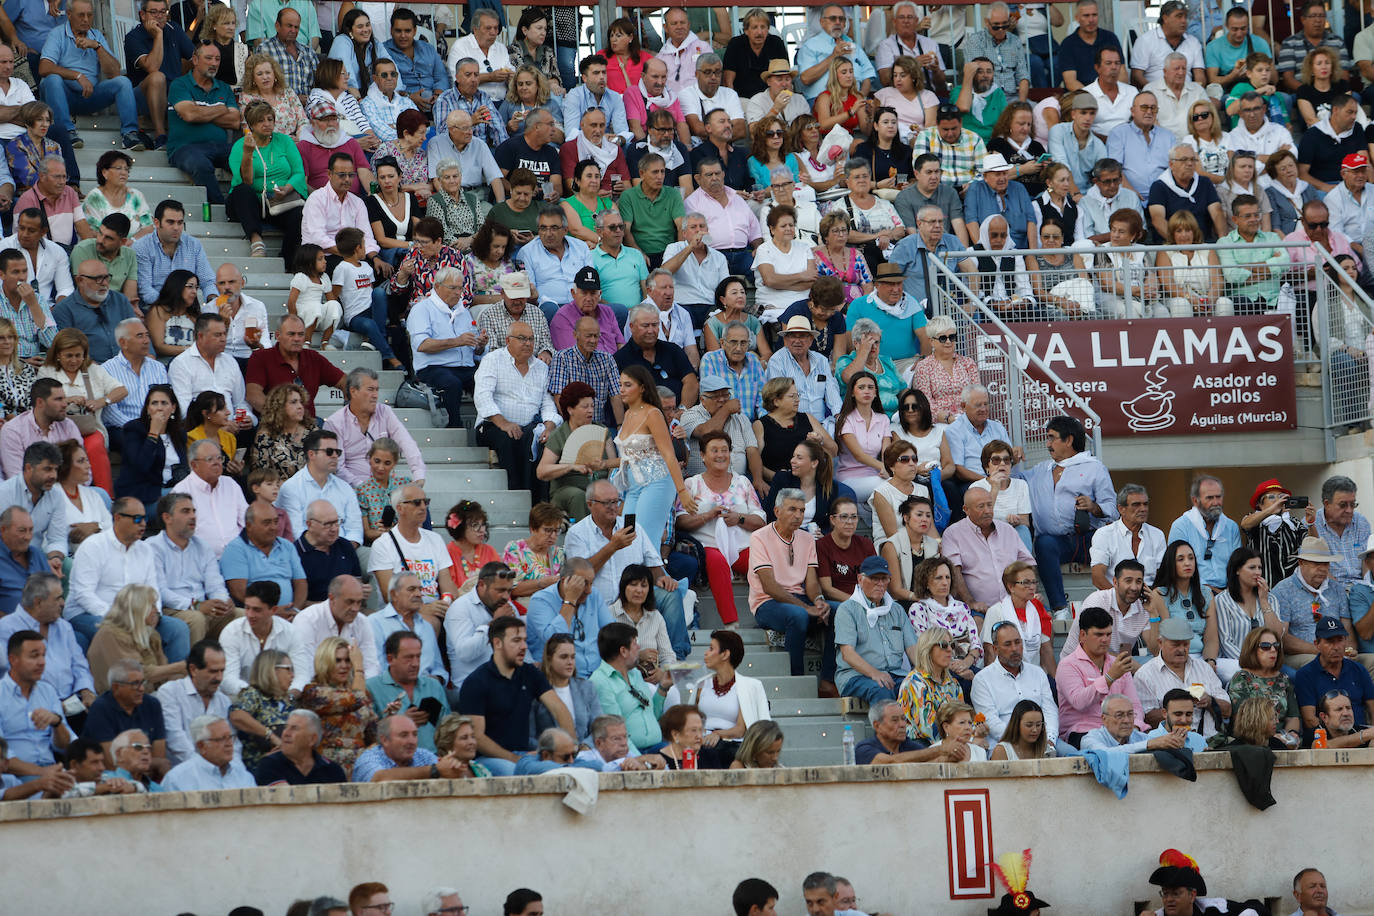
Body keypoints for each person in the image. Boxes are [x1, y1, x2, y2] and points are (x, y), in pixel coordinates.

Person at [1021, 415, 1118, 616]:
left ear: (1069, 440)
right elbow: (1011, 481)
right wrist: (1011, 458)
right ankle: (1059, 608)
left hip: (1090, 539)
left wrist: (1093, 507)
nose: (1047, 444)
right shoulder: (1041, 470)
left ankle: (1116, 603)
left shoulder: (1094, 467)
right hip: (1056, 542)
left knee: (1115, 544)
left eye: (1051, 438)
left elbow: (1113, 508)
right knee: (1043, 543)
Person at [456, 615, 573, 776]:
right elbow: (477, 737)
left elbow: (559, 709)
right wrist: (515, 758)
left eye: (524, 640)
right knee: (518, 772)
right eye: (516, 641)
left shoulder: (530, 672)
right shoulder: (476, 682)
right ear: (497, 643)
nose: (524, 646)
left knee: (591, 765)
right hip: (489, 758)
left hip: (526, 754)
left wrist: (571, 749)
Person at [749, 487, 835, 691]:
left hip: (799, 598)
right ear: (777, 511)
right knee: (798, 615)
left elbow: (812, 583)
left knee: (839, 611)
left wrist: (818, 602)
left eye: (802, 511)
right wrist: (806, 609)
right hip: (767, 603)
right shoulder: (759, 537)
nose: (798, 516)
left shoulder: (806, 538)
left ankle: (828, 680)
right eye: (792, 510)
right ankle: (795, 682)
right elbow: (769, 586)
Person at [834, 556, 920, 704]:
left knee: (919, 687)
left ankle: (915, 728)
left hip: (895, 674)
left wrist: (927, 675)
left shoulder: (897, 610)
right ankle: (886, 727)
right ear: (860, 579)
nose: (880, 584)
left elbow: (913, 648)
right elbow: (847, 654)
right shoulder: (847, 609)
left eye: (884, 579)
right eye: (875, 578)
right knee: (881, 689)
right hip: (855, 676)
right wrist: (875, 673)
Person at [1057, 606, 1144, 747]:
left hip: (1121, 731)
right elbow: (1079, 702)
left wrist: (1136, 727)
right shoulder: (1067, 665)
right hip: (1083, 732)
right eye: (1098, 634)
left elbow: (1135, 706)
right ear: (1082, 635)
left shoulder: (1118, 664)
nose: (1105, 640)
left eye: (1108, 634)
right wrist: (1110, 678)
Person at [972, 619, 1059, 747]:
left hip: (1041, 741)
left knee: (1073, 755)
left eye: (1017, 642)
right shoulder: (982, 679)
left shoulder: (1038, 673)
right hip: (1004, 744)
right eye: (1007, 644)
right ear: (995, 649)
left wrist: (1050, 739)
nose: (1015, 649)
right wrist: (1022, 741)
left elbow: (1050, 711)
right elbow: (991, 722)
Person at [1167, 475, 1242, 592]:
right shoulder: (1181, 526)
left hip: (1228, 593)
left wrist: (1228, 595)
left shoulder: (1231, 527)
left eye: (1218, 497)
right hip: (1193, 592)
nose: (1216, 502)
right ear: (1195, 501)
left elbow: (1238, 566)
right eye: (1210, 498)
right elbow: (1176, 569)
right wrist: (1211, 592)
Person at [856, 698, 967, 764]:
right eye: (895, 720)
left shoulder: (908, 745)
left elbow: (931, 763)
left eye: (903, 719)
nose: (902, 724)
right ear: (877, 725)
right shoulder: (864, 748)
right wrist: (941, 749)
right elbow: (891, 762)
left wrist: (951, 757)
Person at [251, 708, 346, 786]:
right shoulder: (270, 764)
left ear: (312, 739)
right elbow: (285, 798)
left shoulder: (332, 770)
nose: (285, 733)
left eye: (294, 728)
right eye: (286, 727)